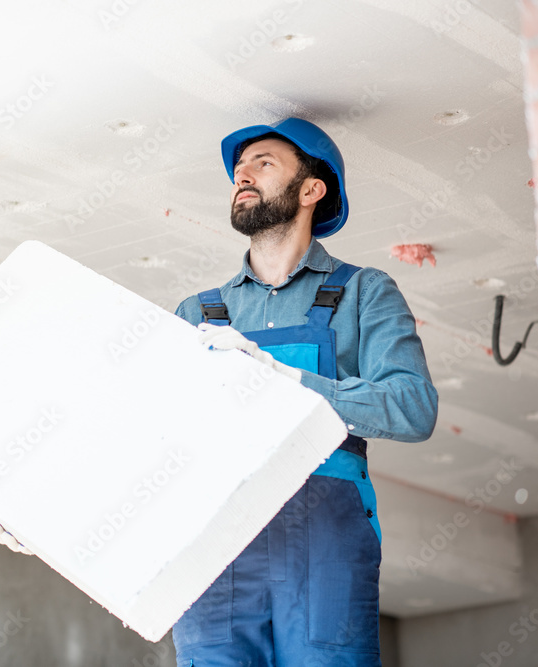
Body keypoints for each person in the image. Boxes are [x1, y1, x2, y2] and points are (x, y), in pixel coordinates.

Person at [169, 118, 437, 666]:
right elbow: (153, 439)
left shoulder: (363, 291)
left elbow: (413, 408)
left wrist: (285, 378)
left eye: (262, 164)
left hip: (323, 539)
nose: (242, 176)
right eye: (239, 170)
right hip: (215, 538)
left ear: (311, 190)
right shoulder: (197, 314)